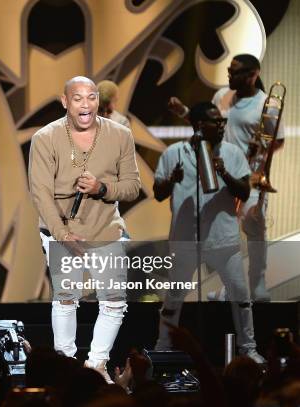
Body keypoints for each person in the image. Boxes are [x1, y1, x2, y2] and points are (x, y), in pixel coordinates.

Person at [28, 76, 141, 382]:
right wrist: (63, 235)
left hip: (105, 227)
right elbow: (40, 192)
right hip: (60, 229)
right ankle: (65, 366)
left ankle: (97, 366)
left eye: (90, 97)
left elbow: (132, 186)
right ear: (65, 101)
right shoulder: (45, 137)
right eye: (77, 98)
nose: (85, 104)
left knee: (114, 300)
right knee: (66, 297)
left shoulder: (119, 134)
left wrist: (101, 187)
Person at [153, 102, 265, 364]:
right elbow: (158, 192)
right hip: (185, 240)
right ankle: (163, 347)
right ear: (200, 125)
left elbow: (244, 192)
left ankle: (248, 349)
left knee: (240, 296)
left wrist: (223, 171)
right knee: (174, 299)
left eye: (222, 121)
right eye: (217, 122)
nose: (222, 125)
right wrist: (172, 180)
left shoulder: (232, 153)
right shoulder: (174, 153)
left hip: (223, 240)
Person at [168, 54, 284, 301]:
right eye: (229, 71)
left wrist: (261, 147)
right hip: (220, 174)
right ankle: (226, 287)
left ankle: (258, 284)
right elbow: (206, 123)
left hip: (248, 178)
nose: (229, 75)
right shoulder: (221, 96)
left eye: (236, 72)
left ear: (253, 75)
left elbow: (278, 141)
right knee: (220, 235)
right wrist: (184, 112)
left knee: (254, 230)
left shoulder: (266, 103)